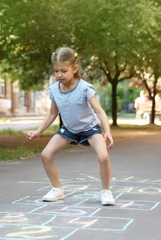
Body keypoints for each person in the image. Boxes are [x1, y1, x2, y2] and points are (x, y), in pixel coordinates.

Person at [27, 47, 115, 206]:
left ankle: (106, 191)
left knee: (103, 156)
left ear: (74, 69)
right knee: (46, 154)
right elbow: (52, 113)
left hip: (90, 128)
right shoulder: (54, 89)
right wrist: (38, 131)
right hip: (69, 130)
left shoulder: (85, 88)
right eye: (56, 71)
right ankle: (57, 190)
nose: (59, 75)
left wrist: (107, 131)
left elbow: (99, 111)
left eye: (63, 71)